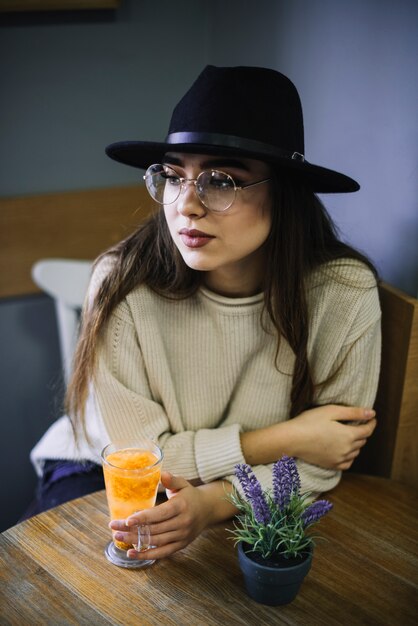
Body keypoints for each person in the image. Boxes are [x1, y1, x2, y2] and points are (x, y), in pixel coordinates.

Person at [29, 65, 380, 561]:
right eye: (173, 176)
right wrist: (289, 437)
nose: (186, 205)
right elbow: (141, 461)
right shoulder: (122, 283)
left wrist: (213, 504)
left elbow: (326, 462)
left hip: (245, 496)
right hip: (102, 474)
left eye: (222, 180)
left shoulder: (341, 292)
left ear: (285, 192)